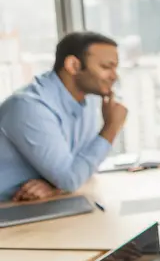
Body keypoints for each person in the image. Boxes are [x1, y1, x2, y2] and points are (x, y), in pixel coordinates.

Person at [0, 31, 127, 201]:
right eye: (106, 67)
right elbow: (71, 178)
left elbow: (82, 168)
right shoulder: (30, 107)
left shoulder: (86, 101)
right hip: (8, 209)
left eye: (115, 68)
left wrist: (55, 185)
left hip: (37, 204)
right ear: (73, 65)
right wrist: (111, 127)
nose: (114, 76)